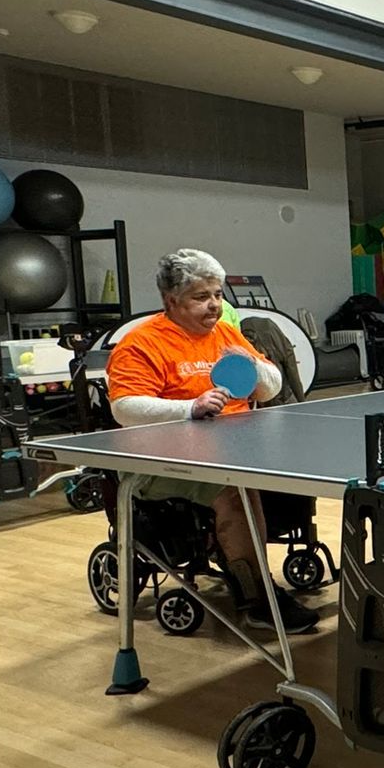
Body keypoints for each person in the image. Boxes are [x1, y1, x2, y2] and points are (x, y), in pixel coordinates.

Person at [106, 249, 319, 632]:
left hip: (234, 444)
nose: (215, 306)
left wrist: (254, 366)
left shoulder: (225, 333)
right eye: (201, 297)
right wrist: (189, 408)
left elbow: (270, 389)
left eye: (218, 295)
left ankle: (250, 563)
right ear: (171, 301)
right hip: (164, 458)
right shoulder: (141, 343)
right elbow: (125, 408)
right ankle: (258, 598)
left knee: (296, 473)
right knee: (234, 489)